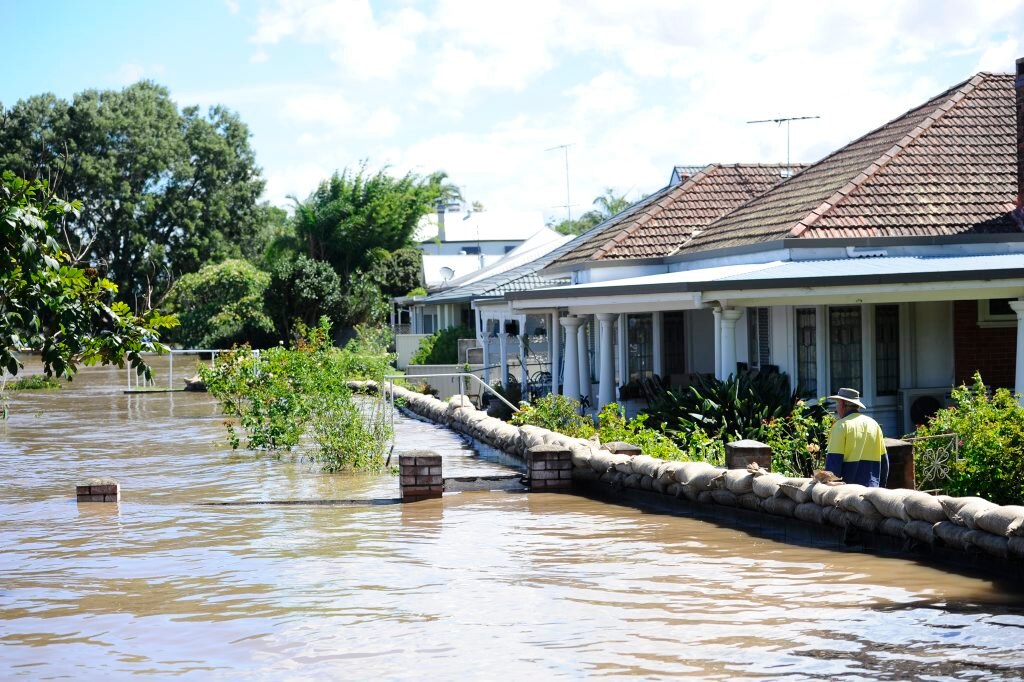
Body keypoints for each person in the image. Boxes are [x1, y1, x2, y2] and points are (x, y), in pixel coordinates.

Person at [824, 387, 888, 487]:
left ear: (842, 404)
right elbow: (884, 463)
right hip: (872, 491)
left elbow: (833, 468)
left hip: (847, 493)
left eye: (837, 404)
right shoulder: (874, 425)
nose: (837, 408)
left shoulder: (840, 426)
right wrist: (880, 489)